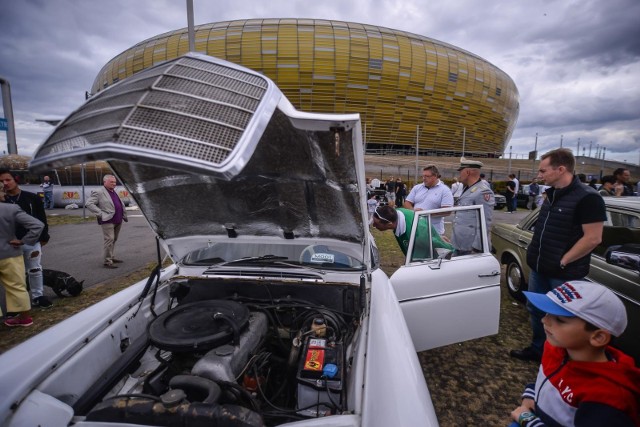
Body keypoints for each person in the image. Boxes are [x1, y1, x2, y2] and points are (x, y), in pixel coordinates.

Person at [510, 148, 606, 363]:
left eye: (543, 170)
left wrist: (563, 261)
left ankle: (562, 360)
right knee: (536, 311)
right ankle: (539, 351)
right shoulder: (551, 194)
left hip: (564, 274)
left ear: (561, 169)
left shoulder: (588, 198)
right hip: (540, 268)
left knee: (564, 318)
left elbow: (593, 238)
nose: (539, 174)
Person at [510, 281, 640, 427]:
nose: (544, 320)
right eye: (547, 313)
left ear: (598, 337)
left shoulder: (607, 398)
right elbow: (549, 378)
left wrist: (528, 421)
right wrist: (531, 394)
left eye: (560, 319)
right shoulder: (556, 348)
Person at [0, 169, 52, 308]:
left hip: (30, 241)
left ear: (15, 179)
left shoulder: (31, 198)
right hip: (8, 244)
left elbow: (41, 218)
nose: (5, 183)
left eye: (7, 180)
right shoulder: (2, 200)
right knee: (14, 275)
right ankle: (16, 303)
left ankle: (37, 296)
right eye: (1, 181)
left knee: (34, 269)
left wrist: (44, 236)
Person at [0, 181, 44, 327]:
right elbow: (38, 225)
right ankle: (25, 317)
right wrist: (24, 241)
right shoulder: (10, 209)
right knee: (17, 286)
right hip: (10, 253)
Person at [371, 205, 453, 259]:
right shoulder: (396, 213)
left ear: (389, 224)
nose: (374, 225)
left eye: (376, 223)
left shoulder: (417, 233)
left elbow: (437, 243)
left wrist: (453, 252)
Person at [451, 158, 495, 254]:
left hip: (471, 248)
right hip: (461, 244)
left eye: (460, 172)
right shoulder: (468, 189)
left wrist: (477, 248)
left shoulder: (483, 191)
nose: (459, 175)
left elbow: (485, 222)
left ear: (467, 172)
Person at [85, 174, 128, 268]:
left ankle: (111, 257)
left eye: (115, 182)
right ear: (105, 182)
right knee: (109, 239)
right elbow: (89, 203)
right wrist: (100, 214)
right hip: (108, 220)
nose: (114, 184)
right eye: (111, 182)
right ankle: (107, 261)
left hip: (118, 219)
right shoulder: (99, 192)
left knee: (114, 239)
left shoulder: (113, 191)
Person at [403, 165, 453, 235]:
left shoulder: (445, 190)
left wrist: (425, 213)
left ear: (435, 176)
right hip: (415, 228)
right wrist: (413, 211)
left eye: (427, 176)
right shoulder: (417, 188)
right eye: (423, 176)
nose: (424, 178)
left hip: (434, 231)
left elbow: (447, 211)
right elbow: (407, 203)